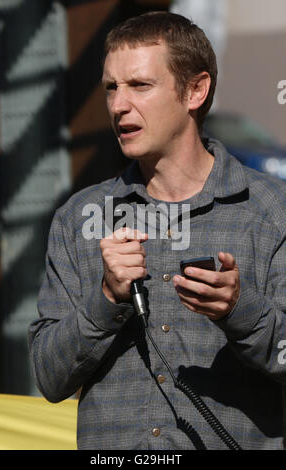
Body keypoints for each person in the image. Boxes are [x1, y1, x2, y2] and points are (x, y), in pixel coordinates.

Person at [28, 11, 286, 450]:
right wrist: (106, 300)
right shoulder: (78, 218)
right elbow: (49, 378)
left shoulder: (272, 210)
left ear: (195, 90)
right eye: (111, 87)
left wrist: (241, 311)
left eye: (139, 86)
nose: (117, 105)